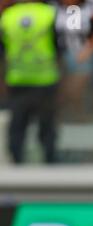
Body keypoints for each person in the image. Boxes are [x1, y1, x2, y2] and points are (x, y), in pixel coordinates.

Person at [0, 0, 60, 163]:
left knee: (17, 126)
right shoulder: (49, 13)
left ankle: (16, 165)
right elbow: (59, 44)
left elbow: (3, 48)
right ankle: (51, 165)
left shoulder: (8, 15)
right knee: (47, 127)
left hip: (17, 78)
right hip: (45, 78)